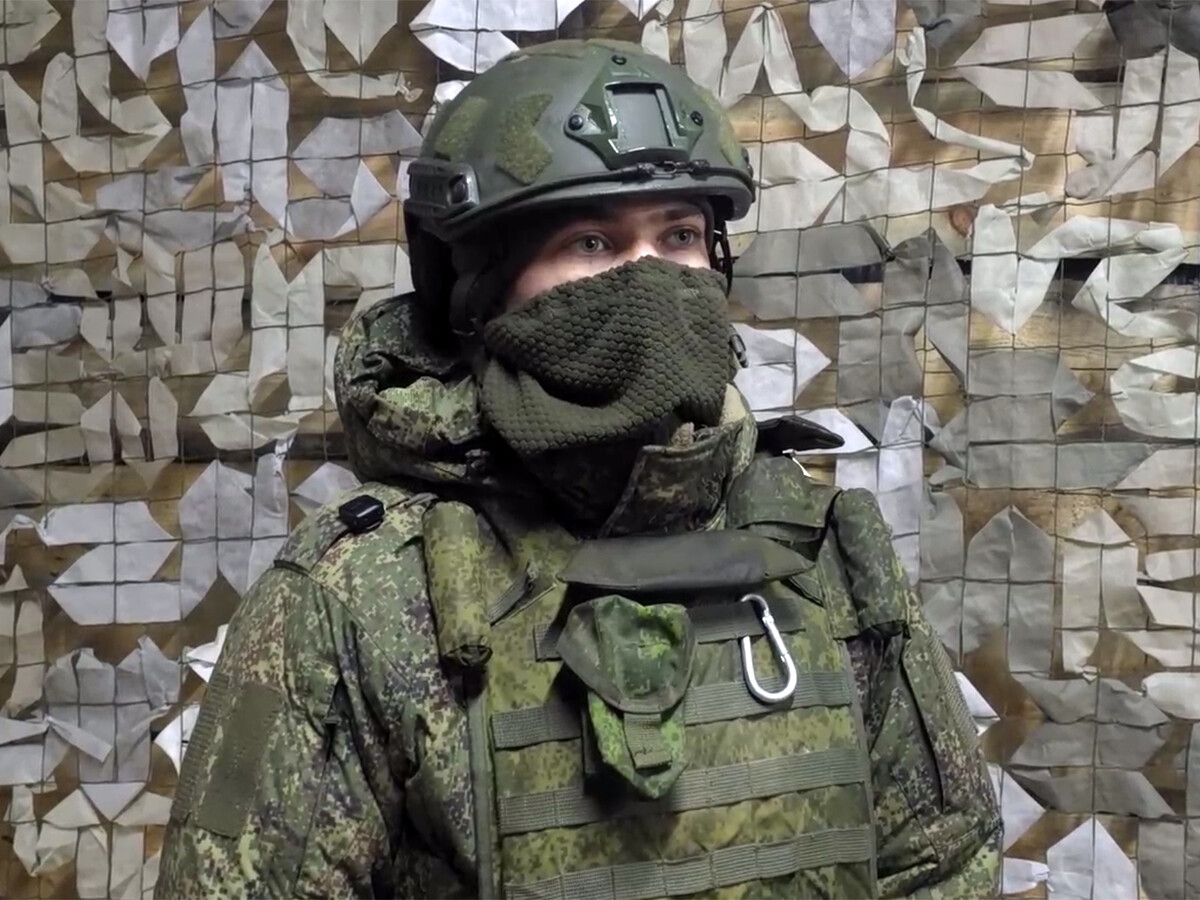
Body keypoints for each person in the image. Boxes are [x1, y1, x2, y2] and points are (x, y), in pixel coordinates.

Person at [157, 38, 1001, 900]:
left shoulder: (822, 552)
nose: (651, 279)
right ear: (482, 285)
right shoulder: (358, 593)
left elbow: (944, 860)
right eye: (593, 241)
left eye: (680, 235)